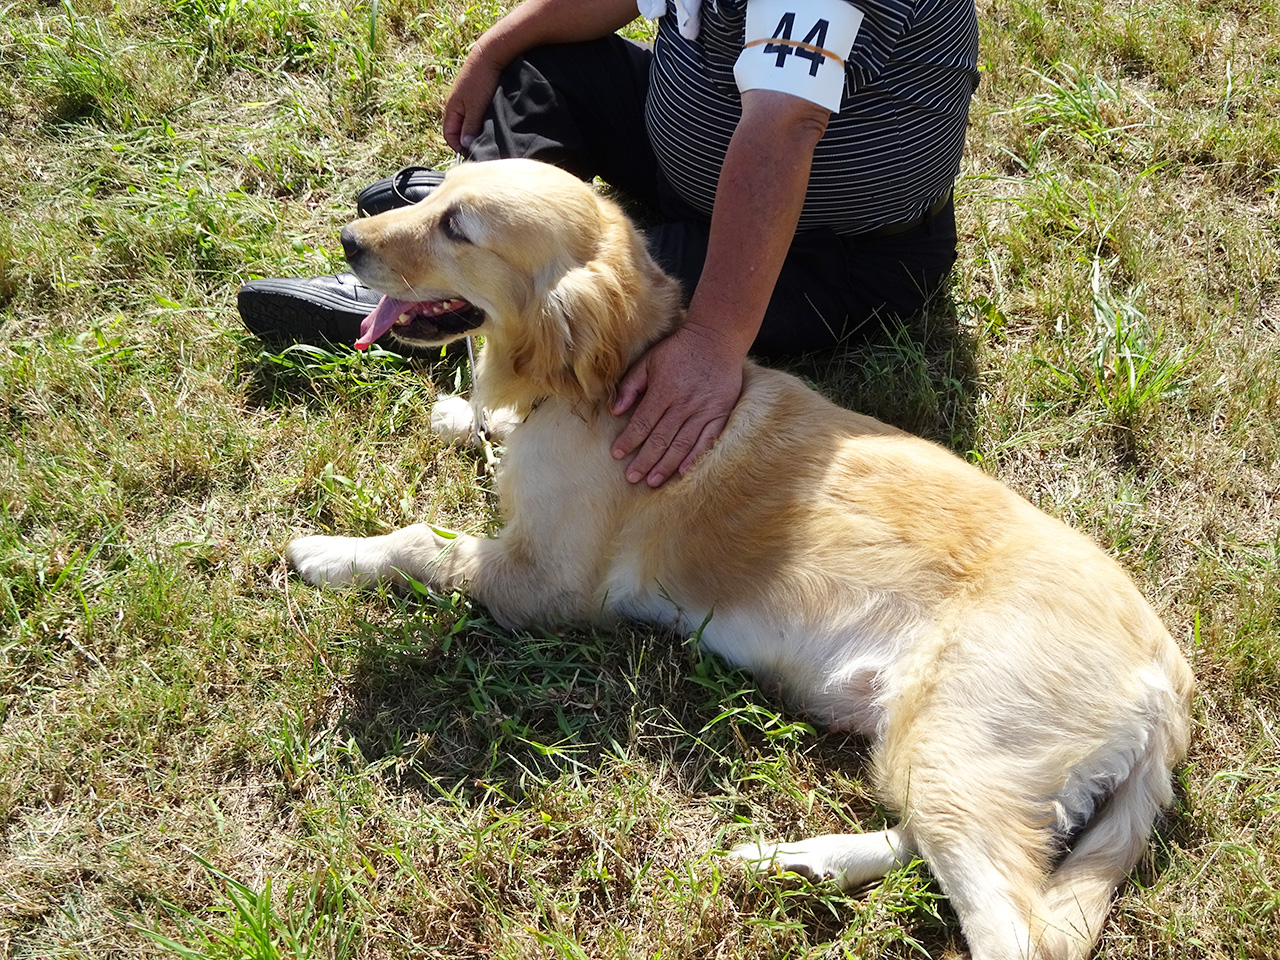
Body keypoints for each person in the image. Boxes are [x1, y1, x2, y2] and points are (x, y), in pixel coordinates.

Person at [238, 0, 979, 487]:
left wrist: (716, 339)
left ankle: (431, 293)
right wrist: (499, 46)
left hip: (824, 249)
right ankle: (464, 238)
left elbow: (783, 128)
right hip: (684, 169)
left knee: (598, 297)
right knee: (547, 72)